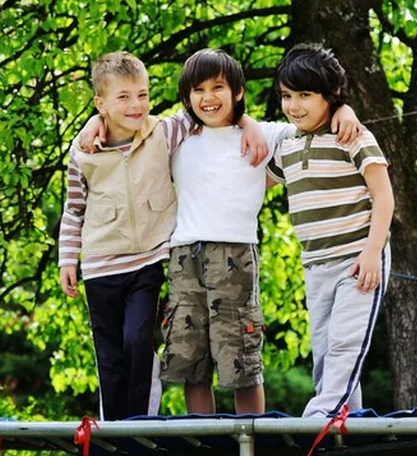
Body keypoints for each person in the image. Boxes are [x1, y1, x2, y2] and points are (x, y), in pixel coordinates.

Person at [58, 51, 266, 420]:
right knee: (108, 354)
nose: (136, 105)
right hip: (99, 265)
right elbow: (74, 209)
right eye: (123, 97)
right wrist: (66, 259)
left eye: (142, 94)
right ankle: (115, 425)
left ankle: (140, 421)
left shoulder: (163, 132)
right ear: (100, 103)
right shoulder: (82, 151)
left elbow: (210, 110)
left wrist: (248, 120)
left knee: (138, 341)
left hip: (149, 260)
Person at [159, 48, 362, 416]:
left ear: (237, 92)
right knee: (191, 360)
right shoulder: (178, 135)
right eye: (198, 89)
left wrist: (344, 108)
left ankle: (249, 437)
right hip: (183, 256)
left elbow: (314, 119)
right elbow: (132, 127)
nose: (208, 98)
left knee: (241, 359)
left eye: (218, 87)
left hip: (235, 257)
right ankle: (205, 444)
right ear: (187, 96)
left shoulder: (268, 135)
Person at [268, 43, 394, 418]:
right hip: (315, 265)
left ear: (331, 96)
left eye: (305, 95)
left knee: (345, 343)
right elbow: (257, 182)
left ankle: (321, 412)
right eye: (287, 96)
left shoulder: (352, 136)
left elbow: (384, 197)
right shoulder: (287, 145)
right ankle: (345, 418)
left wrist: (372, 253)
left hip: (358, 259)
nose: (294, 106)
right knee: (324, 347)